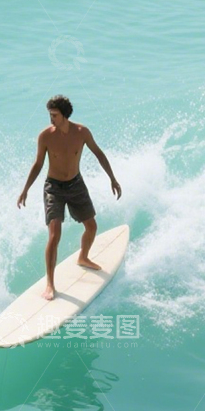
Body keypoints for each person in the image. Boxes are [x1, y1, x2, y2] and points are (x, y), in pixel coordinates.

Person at [17, 95, 122, 300]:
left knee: (91, 227)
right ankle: (50, 283)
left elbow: (99, 153)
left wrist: (113, 178)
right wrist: (25, 189)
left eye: (54, 115)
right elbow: (38, 164)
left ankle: (83, 257)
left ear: (65, 115)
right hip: (53, 188)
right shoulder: (45, 136)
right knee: (54, 235)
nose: (51, 119)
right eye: (50, 115)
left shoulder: (82, 132)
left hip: (76, 184)